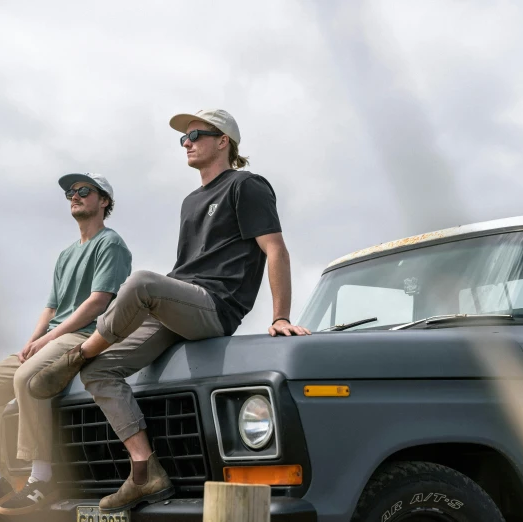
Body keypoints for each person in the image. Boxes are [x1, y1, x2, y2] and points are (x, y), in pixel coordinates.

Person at [28, 109, 311, 514]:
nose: (187, 142)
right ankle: (145, 473)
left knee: (141, 282)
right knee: (100, 372)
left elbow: (275, 249)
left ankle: (78, 353)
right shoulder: (190, 201)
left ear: (224, 141)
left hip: (215, 305)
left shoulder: (246, 185)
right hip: (179, 302)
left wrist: (280, 315)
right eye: (183, 138)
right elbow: (185, 269)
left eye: (197, 134)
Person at [0, 173, 132, 521]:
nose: (74, 196)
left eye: (84, 191)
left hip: (85, 335)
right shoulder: (66, 254)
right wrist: (33, 340)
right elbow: (51, 307)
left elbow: (97, 303)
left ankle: (42, 478)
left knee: (29, 381)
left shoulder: (111, 244)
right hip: (52, 337)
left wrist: (49, 338)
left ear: (105, 201)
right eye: (70, 192)